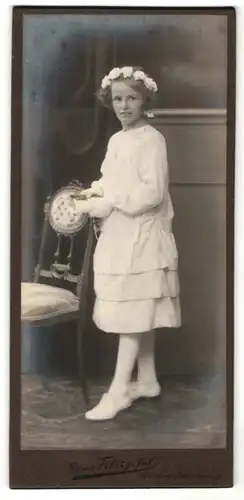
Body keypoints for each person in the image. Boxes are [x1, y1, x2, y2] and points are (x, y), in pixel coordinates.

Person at [74, 66, 181, 421]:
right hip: (121, 232)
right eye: (118, 99)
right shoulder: (117, 140)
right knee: (138, 303)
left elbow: (151, 193)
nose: (124, 106)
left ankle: (119, 390)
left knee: (135, 307)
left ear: (144, 100)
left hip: (142, 233)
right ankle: (147, 379)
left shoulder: (152, 139)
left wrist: (110, 201)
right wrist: (97, 190)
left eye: (132, 98)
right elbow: (111, 178)